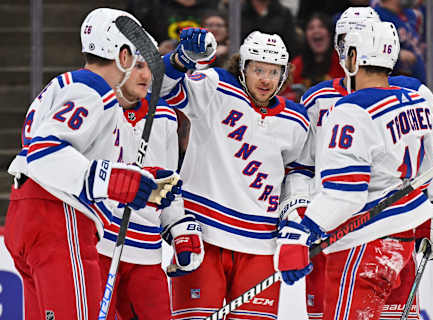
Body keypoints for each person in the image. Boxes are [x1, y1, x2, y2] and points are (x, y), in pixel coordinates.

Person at [278, 17, 433, 319]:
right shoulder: (413, 100)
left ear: (352, 54)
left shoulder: (352, 110)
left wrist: (302, 232)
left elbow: (345, 194)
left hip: (360, 241)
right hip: (401, 236)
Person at [2, 8, 175, 319]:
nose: (145, 73)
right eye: (136, 58)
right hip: (59, 216)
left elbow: (84, 159)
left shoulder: (66, 85)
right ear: (121, 55)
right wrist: (118, 181)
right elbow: (46, 151)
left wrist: (142, 180)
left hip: (29, 214)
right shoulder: (95, 90)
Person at [160, 29, 310, 319]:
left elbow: (298, 175)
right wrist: (181, 60)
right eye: (258, 69)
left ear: (284, 74)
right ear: (243, 68)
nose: (265, 79)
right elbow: (162, 88)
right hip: (205, 237)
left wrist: (294, 225)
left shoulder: (297, 119)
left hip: (261, 246)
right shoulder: (215, 88)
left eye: (274, 71)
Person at [95, 45, 203, 319]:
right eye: (138, 67)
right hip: (98, 246)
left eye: (150, 68)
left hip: (146, 250)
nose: (146, 76)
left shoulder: (165, 116)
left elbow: (169, 184)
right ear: (119, 65)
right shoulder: (95, 106)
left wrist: (178, 228)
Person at [282, 12, 344, 102]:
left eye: (321, 26)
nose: (316, 31)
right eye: (311, 28)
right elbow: (284, 96)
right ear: (305, 35)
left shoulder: (342, 62)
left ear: (330, 34)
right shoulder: (296, 65)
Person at [374, 0, 427, 83]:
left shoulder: (412, 14)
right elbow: (372, 52)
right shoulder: (376, 16)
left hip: (418, 81)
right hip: (396, 83)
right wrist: (397, 55)